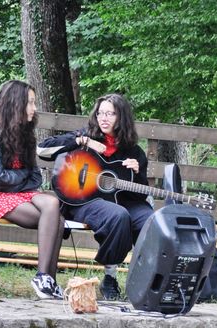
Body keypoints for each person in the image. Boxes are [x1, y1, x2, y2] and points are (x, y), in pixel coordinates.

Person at [38, 93, 152, 300]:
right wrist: (82, 141)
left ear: (122, 117)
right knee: (118, 216)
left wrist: (137, 173)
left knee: (149, 220)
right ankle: (110, 276)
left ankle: (150, 279)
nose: (103, 118)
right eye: (100, 113)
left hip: (122, 199)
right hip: (84, 200)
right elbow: (43, 149)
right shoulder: (86, 136)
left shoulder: (133, 151)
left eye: (110, 114)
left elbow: (140, 192)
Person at [0, 80, 65, 299]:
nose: (34, 108)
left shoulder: (25, 132)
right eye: (30, 102)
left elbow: (36, 176)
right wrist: (23, 176)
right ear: (15, 103)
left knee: (53, 203)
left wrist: (20, 179)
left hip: (20, 192)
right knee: (56, 220)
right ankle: (44, 277)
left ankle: (47, 280)